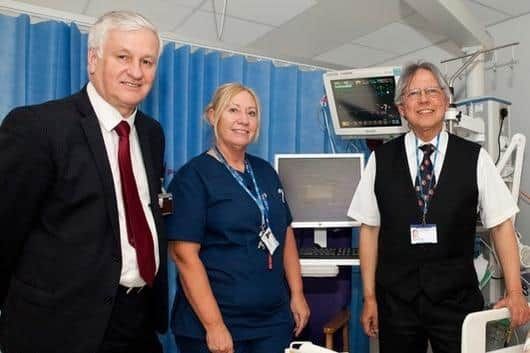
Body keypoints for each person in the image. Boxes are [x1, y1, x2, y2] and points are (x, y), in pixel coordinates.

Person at [0, 11, 167, 353]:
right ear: (93, 59)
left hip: (137, 321)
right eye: (124, 57)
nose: (136, 72)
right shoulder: (38, 127)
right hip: (58, 328)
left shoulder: (152, 134)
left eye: (147, 61)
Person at [348, 61, 530, 353]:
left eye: (432, 91)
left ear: (446, 102)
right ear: (401, 108)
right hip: (397, 303)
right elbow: (369, 230)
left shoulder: (475, 158)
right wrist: (369, 297)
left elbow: (501, 224)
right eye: (413, 93)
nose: (424, 99)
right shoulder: (379, 161)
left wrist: (515, 291)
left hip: (455, 302)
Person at [167, 82, 310, 353]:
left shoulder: (265, 172)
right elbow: (184, 256)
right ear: (212, 116)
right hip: (217, 324)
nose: (243, 120)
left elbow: (284, 233)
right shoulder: (192, 178)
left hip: (271, 323)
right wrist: (214, 325)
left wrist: (297, 293)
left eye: (252, 113)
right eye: (233, 110)